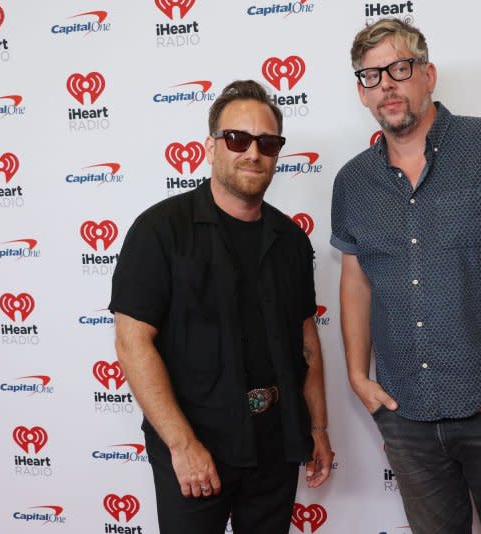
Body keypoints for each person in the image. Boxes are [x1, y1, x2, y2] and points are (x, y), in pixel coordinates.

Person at [330, 19, 481, 534]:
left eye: (399, 68)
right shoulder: (352, 182)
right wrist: (356, 376)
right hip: (406, 415)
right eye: (371, 76)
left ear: (428, 74)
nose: (386, 84)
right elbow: (356, 282)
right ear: (361, 93)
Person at [110, 80, 332, 534]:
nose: (253, 152)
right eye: (238, 139)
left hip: (275, 443)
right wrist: (182, 444)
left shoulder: (291, 240)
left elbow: (306, 340)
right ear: (211, 147)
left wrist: (320, 429)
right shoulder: (159, 230)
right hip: (196, 445)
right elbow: (133, 342)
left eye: (267, 143)